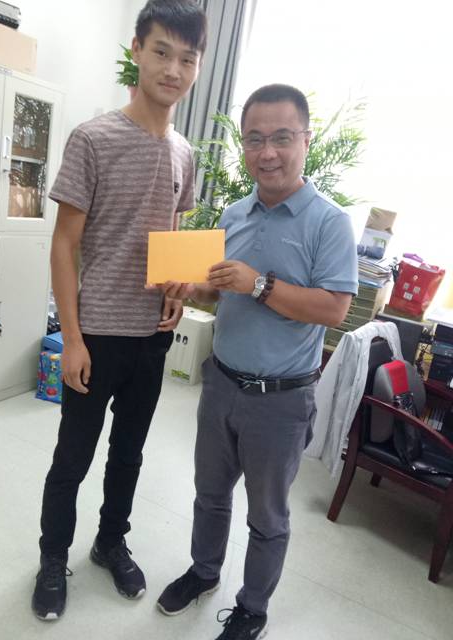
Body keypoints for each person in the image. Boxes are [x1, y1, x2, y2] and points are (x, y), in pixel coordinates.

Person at [156, 84, 359, 639]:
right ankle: (203, 572)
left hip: (281, 400)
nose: (267, 152)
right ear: (243, 145)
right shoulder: (234, 213)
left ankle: (253, 608)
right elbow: (220, 289)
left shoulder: (330, 223)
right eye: (254, 139)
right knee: (209, 495)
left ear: (305, 141)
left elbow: (334, 310)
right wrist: (189, 288)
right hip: (221, 384)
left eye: (281, 138)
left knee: (267, 517)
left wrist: (260, 284)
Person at [31, 0, 207, 621]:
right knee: (72, 458)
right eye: (161, 52)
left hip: (151, 337)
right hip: (96, 335)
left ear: (198, 66)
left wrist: (178, 288)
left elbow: (173, 238)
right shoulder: (94, 138)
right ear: (137, 50)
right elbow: (64, 244)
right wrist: (72, 338)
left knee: (129, 454)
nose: (174, 69)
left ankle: (110, 542)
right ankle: (53, 558)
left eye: (188, 58)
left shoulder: (184, 153)